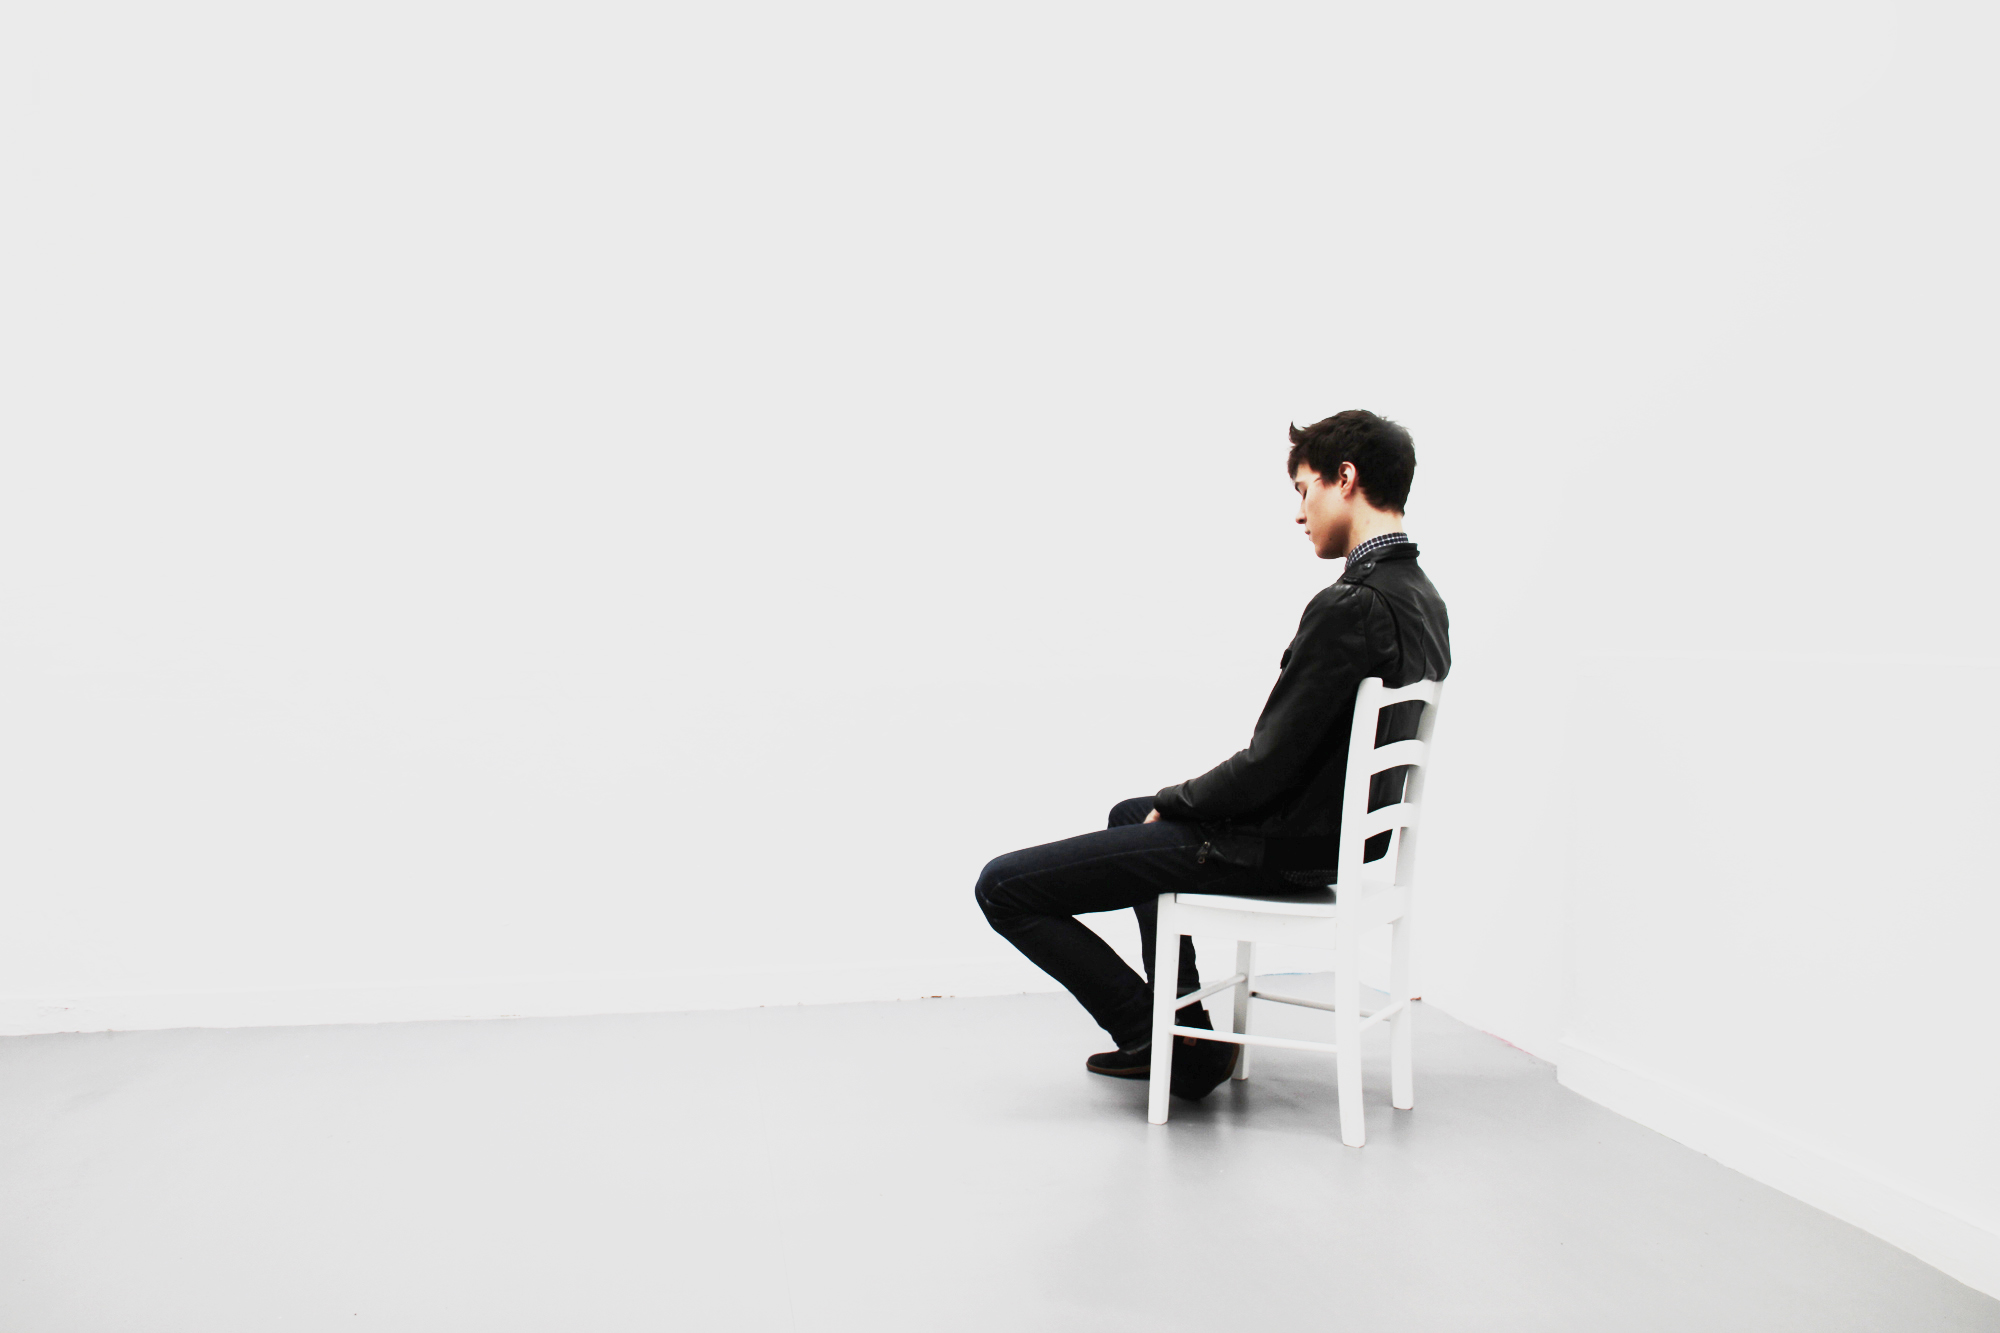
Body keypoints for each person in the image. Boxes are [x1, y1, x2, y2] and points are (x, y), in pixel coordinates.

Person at [974, 410, 1451, 1102]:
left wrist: (1181, 800)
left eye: (1305, 489)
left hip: (1278, 847)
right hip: (1336, 841)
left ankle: (1156, 1035)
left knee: (1002, 887)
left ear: (1345, 479)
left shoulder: (1349, 605)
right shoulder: (1424, 599)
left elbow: (1268, 764)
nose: (1300, 513)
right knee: (1129, 811)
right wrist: (1173, 804)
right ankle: (1189, 1033)